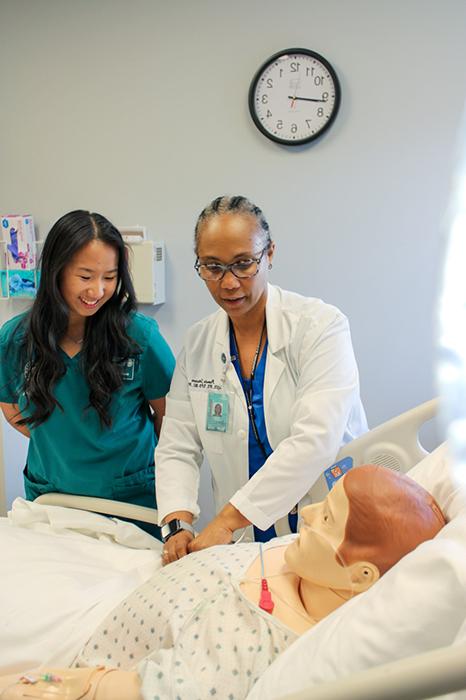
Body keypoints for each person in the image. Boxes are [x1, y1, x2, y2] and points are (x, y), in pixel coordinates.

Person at [0, 465, 446, 699]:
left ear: (361, 575)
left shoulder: (262, 647)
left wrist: (60, 685)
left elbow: (155, 690)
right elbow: (178, 438)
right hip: (125, 574)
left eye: (325, 516)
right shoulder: (304, 556)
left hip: (85, 629)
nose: (306, 514)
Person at [155, 194, 368, 563]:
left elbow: (316, 439)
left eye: (243, 264)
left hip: (330, 524)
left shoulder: (320, 327)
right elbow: (177, 445)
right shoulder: (199, 343)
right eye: (212, 267)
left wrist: (225, 521)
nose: (229, 283)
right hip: (243, 540)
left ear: (269, 254)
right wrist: (177, 522)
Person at [0, 210, 175, 537]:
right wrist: (59, 438)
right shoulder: (16, 340)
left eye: (109, 277)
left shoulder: (140, 337)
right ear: (56, 270)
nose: (97, 290)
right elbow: (10, 408)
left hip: (130, 499)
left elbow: (171, 416)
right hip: (52, 500)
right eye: (85, 276)